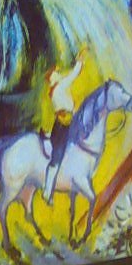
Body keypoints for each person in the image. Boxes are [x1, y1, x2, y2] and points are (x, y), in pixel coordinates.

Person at [43, 52, 84, 202]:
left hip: (66, 123)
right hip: (63, 126)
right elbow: (73, 75)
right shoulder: (59, 88)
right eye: (57, 73)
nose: (59, 74)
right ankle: (47, 191)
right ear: (53, 78)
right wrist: (79, 61)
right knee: (57, 157)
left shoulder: (57, 90)